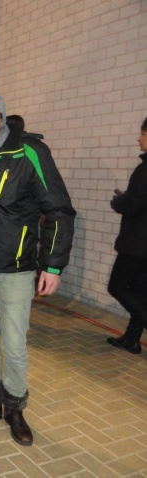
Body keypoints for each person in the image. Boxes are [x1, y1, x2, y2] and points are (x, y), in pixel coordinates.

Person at [0, 91, 75, 446]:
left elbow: (60, 210)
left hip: (16, 270)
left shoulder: (30, 152)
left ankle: (15, 407)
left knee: (15, 343)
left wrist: (53, 266)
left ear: (3, 119)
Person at [105, 116, 147, 354]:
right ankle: (132, 339)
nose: (139, 138)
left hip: (137, 245)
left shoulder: (144, 169)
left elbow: (134, 205)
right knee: (141, 292)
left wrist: (120, 201)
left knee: (118, 286)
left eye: (143, 133)